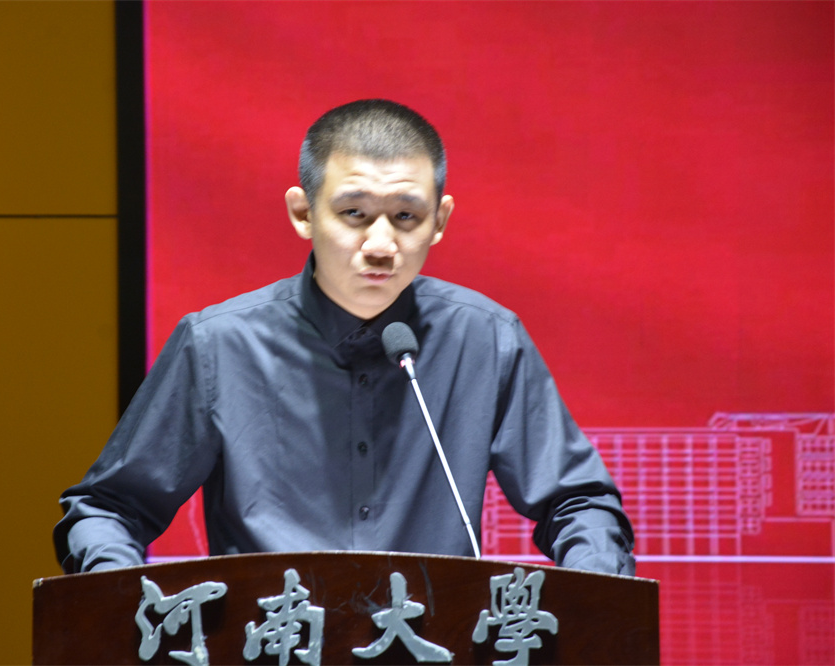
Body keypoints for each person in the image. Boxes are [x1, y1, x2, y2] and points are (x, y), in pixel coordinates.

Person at [54, 99, 635, 576]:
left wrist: (595, 596)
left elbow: (577, 502)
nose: (380, 246)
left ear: (440, 221)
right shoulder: (218, 346)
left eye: (405, 217)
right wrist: (119, 604)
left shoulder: (485, 339)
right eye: (354, 214)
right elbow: (110, 508)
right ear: (303, 213)